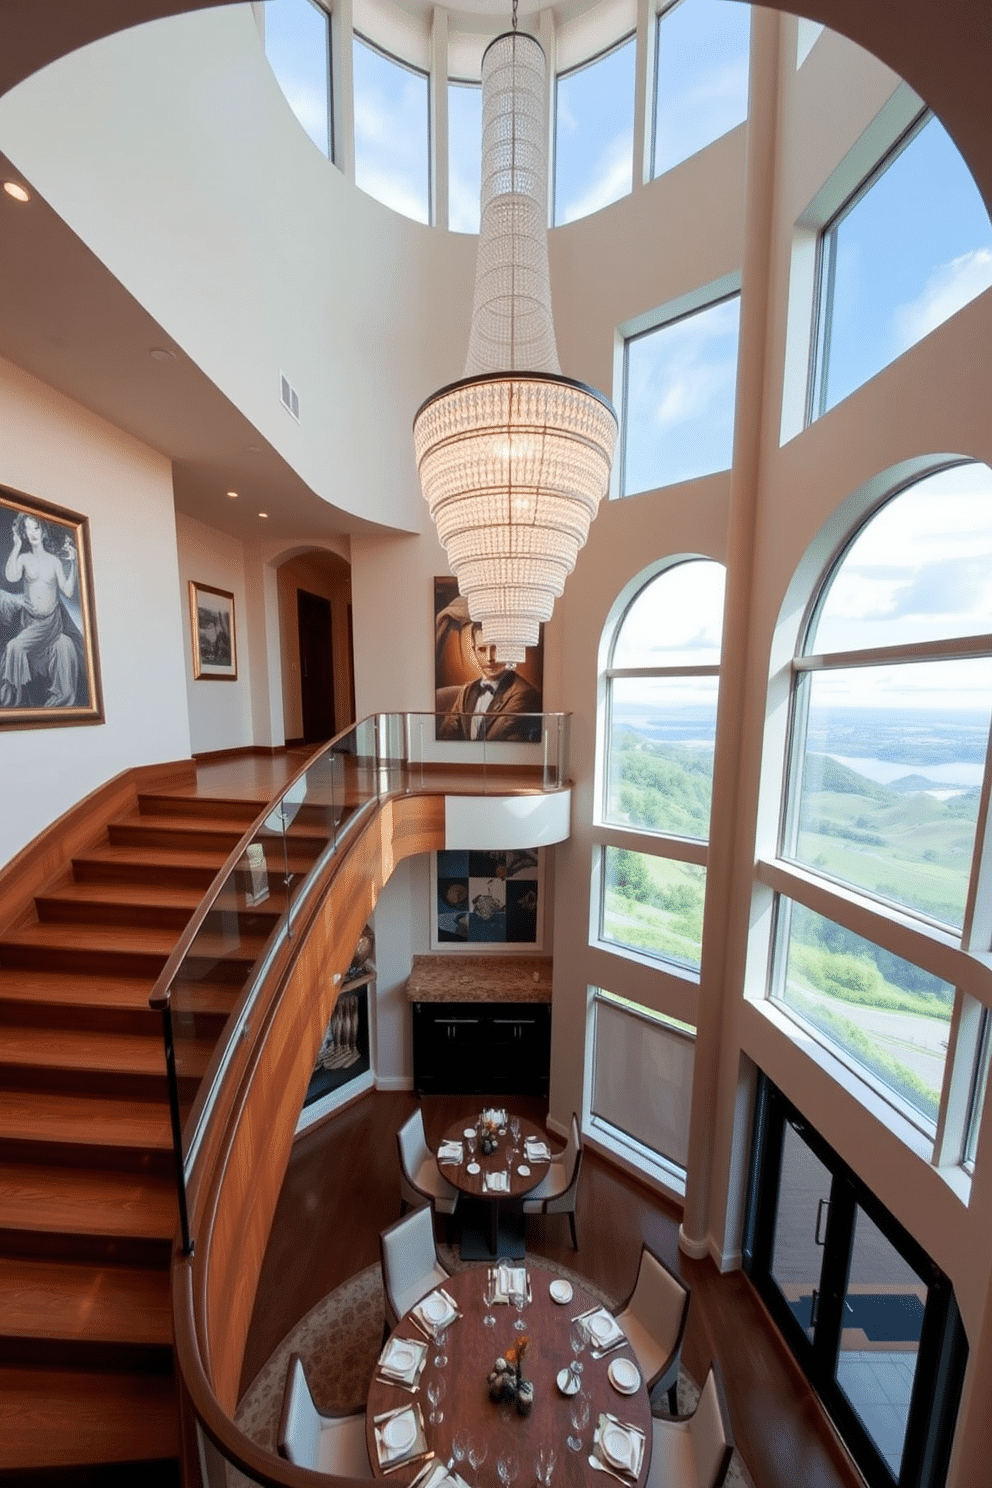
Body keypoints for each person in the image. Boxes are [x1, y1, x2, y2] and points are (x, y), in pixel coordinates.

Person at [0, 511, 85, 708]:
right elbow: (12, 577)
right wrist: (16, 546)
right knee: (14, 647)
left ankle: (57, 698)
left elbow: (67, 590)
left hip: (51, 623)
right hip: (31, 622)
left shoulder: (54, 562)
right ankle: (12, 701)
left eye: (35, 527)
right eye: (27, 529)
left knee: (59, 647)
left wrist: (73, 563)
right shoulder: (24, 558)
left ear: (43, 531)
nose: (32, 533)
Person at [435, 596, 542, 741]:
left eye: (496, 649)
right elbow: (447, 735)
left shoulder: (525, 694)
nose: (489, 658)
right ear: (473, 650)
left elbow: (500, 740)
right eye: (481, 649)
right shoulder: (467, 691)